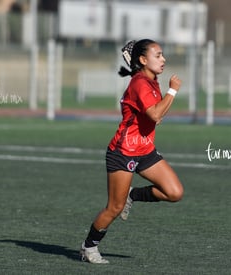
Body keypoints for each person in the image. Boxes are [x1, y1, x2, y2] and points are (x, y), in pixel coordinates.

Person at [80, 39, 184, 264]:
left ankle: (133, 195)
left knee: (174, 192)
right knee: (114, 208)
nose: (163, 59)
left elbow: (152, 114)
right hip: (123, 151)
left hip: (144, 149)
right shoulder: (140, 83)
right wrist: (173, 91)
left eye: (162, 54)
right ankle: (89, 247)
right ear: (143, 60)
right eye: (158, 55)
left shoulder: (150, 80)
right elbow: (156, 115)